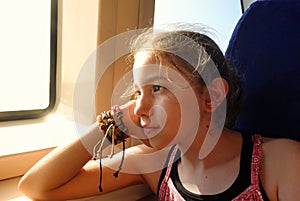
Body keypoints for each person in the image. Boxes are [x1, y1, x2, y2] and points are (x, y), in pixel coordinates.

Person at [18, 25, 300, 201]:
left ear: (211, 96)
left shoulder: (280, 162)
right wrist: (111, 125)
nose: (138, 108)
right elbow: (37, 186)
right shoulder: (154, 166)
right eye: (137, 92)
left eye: (157, 88)